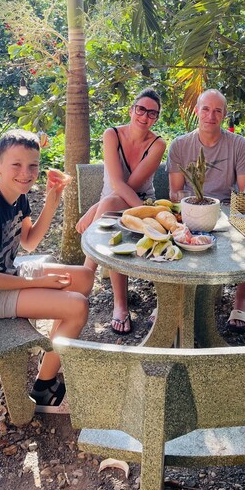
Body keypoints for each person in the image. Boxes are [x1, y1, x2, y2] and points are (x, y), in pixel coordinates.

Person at [0, 129, 94, 413]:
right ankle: (44, 387)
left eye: (33, 166)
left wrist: (53, 199)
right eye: (16, 165)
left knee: (85, 277)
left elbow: (29, 242)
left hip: (8, 272)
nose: (26, 173)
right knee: (78, 307)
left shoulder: (18, 194)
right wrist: (39, 282)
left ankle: (51, 351)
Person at [75, 88, 166, 335]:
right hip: (112, 201)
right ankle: (120, 304)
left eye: (152, 113)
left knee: (106, 214)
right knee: (108, 216)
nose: (145, 116)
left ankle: (82, 284)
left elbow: (131, 186)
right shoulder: (112, 134)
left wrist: (96, 210)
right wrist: (100, 207)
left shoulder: (157, 144)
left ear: (156, 118)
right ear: (131, 109)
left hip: (141, 201)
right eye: (141, 109)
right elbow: (116, 183)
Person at [167, 88, 245, 333]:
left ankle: (240, 300)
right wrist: (192, 209)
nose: (211, 115)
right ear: (196, 111)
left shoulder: (239, 145)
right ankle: (169, 301)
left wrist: (228, 214)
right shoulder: (180, 145)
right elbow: (175, 192)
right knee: (170, 234)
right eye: (206, 109)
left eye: (218, 111)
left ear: (224, 115)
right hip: (189, 208)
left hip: (226, 208)